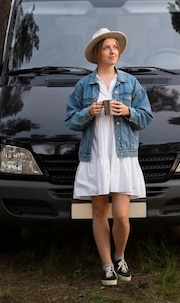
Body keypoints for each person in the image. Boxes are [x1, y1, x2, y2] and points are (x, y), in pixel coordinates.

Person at [65, 27, 153, 287]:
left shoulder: (130, 83)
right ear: (97, 53)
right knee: (100, 213)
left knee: (123, 216)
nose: (113, 51)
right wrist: (88, 112)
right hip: (96, 156)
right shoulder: (84, 85)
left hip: (122, 156)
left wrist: (127, 111)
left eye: (115, 47)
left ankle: (119, 256)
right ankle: (106, 266)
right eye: (107, 47)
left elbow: (146, 116)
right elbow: (70, 119)